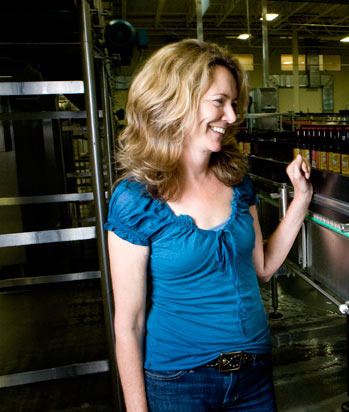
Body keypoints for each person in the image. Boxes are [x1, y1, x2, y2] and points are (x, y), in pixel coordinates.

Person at [104, 39, 312, 412]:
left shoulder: (236, 181)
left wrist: (301, 199)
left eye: (233, 103)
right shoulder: (136, 199)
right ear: (175, 101)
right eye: (219, 101)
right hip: (179, 381)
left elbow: (261, 269)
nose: (231, 116)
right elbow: (129, 324)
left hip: (253, 375)